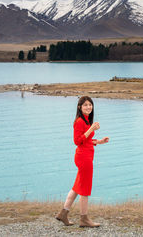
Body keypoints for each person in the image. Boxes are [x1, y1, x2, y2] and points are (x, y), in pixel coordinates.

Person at [55, 96, 109, 227]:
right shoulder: (79, 121)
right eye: (85, 105)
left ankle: (63, 214)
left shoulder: (86, 120)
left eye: (90, 105)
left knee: (76, 187)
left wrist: (99, 141)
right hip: (83, 158)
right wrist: (91, 129)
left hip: (86, 156)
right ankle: (84, 219)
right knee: (84, 189)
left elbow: (86, 141)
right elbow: (77, 141)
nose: (88, 107)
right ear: (80, 107)